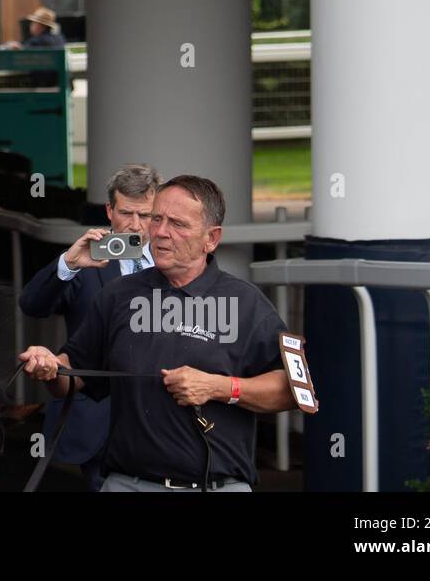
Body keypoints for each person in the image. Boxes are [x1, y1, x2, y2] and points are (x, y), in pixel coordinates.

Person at [19, 175, 295, 492]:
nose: (160, 232)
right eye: (158, 219)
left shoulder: (246, 303)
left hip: (216, 486)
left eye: (178, 224)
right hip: (127, 484)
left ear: (212, 238)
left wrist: (219, 387)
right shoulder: (118, 295)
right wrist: (49, 365)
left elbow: (292, 389)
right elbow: (74, 372)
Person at [18, 163, 160, 490]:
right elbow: (32, 305)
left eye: (145, 215)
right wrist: (68, 264)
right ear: (110, 210)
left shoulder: (174, 261)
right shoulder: (86, 259)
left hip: (160, 419)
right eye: (126, 213)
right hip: (99, 420)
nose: (135, 225)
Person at [1, 6, 66, 50]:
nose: (30, 25)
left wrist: (18, 47)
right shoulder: (59, 38)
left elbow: (24, 51)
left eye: (33, 23)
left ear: (40, 26)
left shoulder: (37, 41)